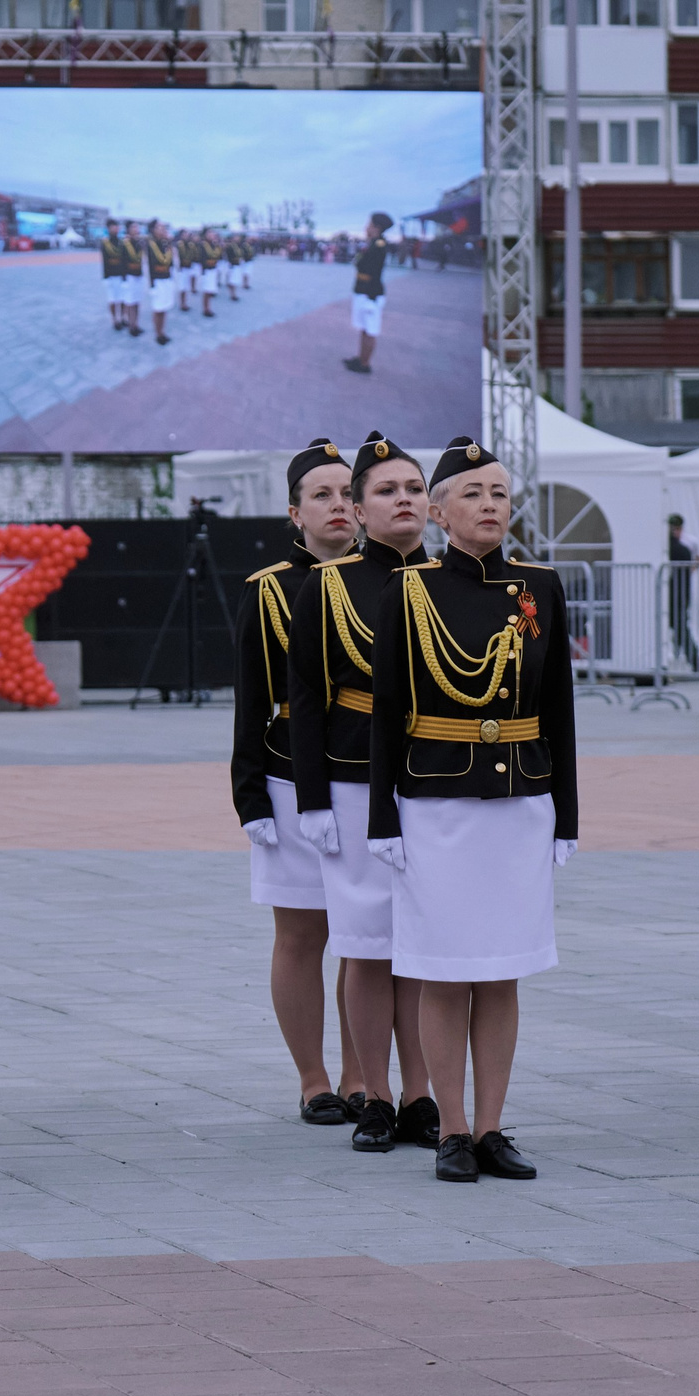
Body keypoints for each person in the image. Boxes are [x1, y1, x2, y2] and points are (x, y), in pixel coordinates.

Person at [366, 440, 574, 1184]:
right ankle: (450, 1126)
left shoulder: (541, 587)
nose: (491, 505)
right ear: (438, 510)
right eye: (475, 493)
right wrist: (383, 818)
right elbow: (388, 710)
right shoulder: (409, 590)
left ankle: (491, 1125)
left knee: (504, 971)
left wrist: (567, 813)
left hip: (519, 801)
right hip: (437, 805)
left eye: (501, 494)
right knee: (445, 971)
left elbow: (558, 710)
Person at [290, 434, 434, 1153]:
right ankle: (375, 1094)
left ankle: (422, 1094)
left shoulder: (451, 580)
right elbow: (308, 699)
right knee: (369, 945)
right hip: (350, 782)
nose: (402, 497)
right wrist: (310, 800)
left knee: (427, 950)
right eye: (385, 489)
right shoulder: (330, 584)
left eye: (413, 486)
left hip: (437, 785)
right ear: (358, 507)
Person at [234, 440, 361, 1124]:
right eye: (322, 495)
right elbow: (250, 701)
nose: (338, 505)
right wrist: (249, 794)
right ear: (295, 512)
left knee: (366, 936)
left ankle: (360, 1071)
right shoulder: (270, 589)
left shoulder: (396, 578)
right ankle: (315, 1078)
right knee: (302, 933)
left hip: (369, 777)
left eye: (347, 493)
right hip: (288, 775)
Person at [344, 212, 394, 376]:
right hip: (363, 291)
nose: (366, 227)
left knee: (370, 329)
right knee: (364, 328)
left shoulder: (378, 245)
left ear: (376, 228)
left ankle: (365, 364)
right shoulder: (372, 244)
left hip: (370, 293)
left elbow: (374, 272)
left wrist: (371, 297)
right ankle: (360, 358)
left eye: (369, 224)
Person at [665, 514, 699, 672]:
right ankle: (693, 659)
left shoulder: (686, 544)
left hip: (678, 591)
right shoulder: (681, 548)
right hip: (679, 590)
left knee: (679, 625)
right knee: (679, 626)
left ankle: (694, 659)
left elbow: (696, 560)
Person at [144, 221, 177, 346]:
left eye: (164, 227)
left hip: (166, 279)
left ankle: (162, 331)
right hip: (157, 280)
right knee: (158, 309)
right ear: (153, 230)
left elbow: (170, 262)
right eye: (159, 227)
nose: (163, 229)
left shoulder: (165, 244)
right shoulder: (151, 244)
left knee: (164, 308)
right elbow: (153, 265)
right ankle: (158, 334)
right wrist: (152, 285)